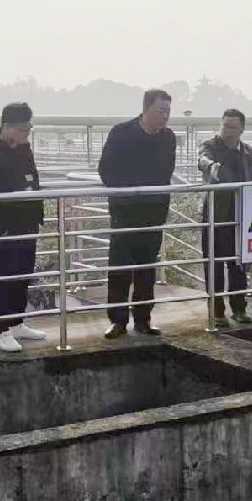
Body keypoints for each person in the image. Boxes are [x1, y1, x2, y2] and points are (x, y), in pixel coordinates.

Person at [98, 89, 177, 339]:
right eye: (160, 111)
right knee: (119, 268)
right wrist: (131, 190)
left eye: (168, 111)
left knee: (146, 270)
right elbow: (106, 170)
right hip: (125, 212)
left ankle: (143, 319)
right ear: (146, 108)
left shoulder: (168, 138)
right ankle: (117, 321)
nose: (165, 116)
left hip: (153, 212)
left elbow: (166, 172)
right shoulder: (121, 133)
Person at [0, 102, 47, 352]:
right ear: (7, 126)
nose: (26, 134)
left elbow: (32, 178)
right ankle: (1, 329)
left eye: (29, 129)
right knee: (3, 274)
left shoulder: (24, 147)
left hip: (27, 218)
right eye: (23, 129)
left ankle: (17, 322)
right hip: (3, 223)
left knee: (23, 271)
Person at [198, 109, 252, 328]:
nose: (227, 130)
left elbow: (251, 179)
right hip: (215, 214)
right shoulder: (211, 146)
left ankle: (239, 308)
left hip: (240, 214)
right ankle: (217, 311)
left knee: (238, 264)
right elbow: (202, 159)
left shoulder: (247, 152)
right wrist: (211, 167)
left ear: (242, 129)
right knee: (214, 264)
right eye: (224, 125)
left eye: (232, 127)